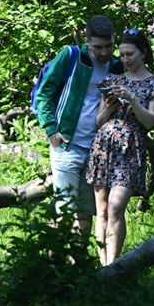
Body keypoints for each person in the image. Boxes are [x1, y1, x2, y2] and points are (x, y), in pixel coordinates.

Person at [86, 28, 154, 265]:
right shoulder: (112, 81)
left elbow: (150, 121)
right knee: (101, 210)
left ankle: (113, 264)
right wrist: (110, 108)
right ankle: (102, 265)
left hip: (131, 148)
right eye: (122, 55)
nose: (125, 59)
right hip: (104, 145)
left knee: (115, 207)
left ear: (143, 52)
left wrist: (132, 99)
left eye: (130, 54)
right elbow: (99, 122)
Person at [34, 15, 122, 236]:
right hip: (67, 145)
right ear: (87, 40)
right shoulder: (71, 55)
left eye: (109, 46)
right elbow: (44, 93)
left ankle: (77, 265)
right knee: (64, 209)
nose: (104, 52)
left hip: (97, 148)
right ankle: (54, 265)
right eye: (98, 47)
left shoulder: (117, 66)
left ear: (114, 39)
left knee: (85, 212)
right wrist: (51, 131)